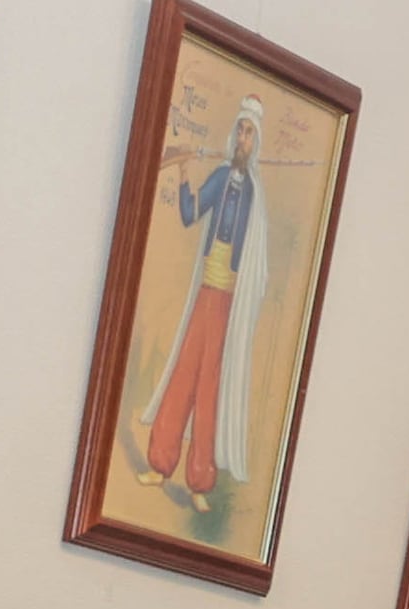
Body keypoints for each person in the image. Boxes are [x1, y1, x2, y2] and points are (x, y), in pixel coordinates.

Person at [133, 98, 264, 512]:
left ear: (255, 142)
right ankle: (160, 463)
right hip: (206, 289)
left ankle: (200, 482)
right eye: (240, 131)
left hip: (229, 299)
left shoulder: (255, 196)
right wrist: (185, 170)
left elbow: (256, 260)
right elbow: (190, 215)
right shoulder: (222, 176)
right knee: (185, 373)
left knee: (210, 386)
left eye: (250, 134)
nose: (243, 139)